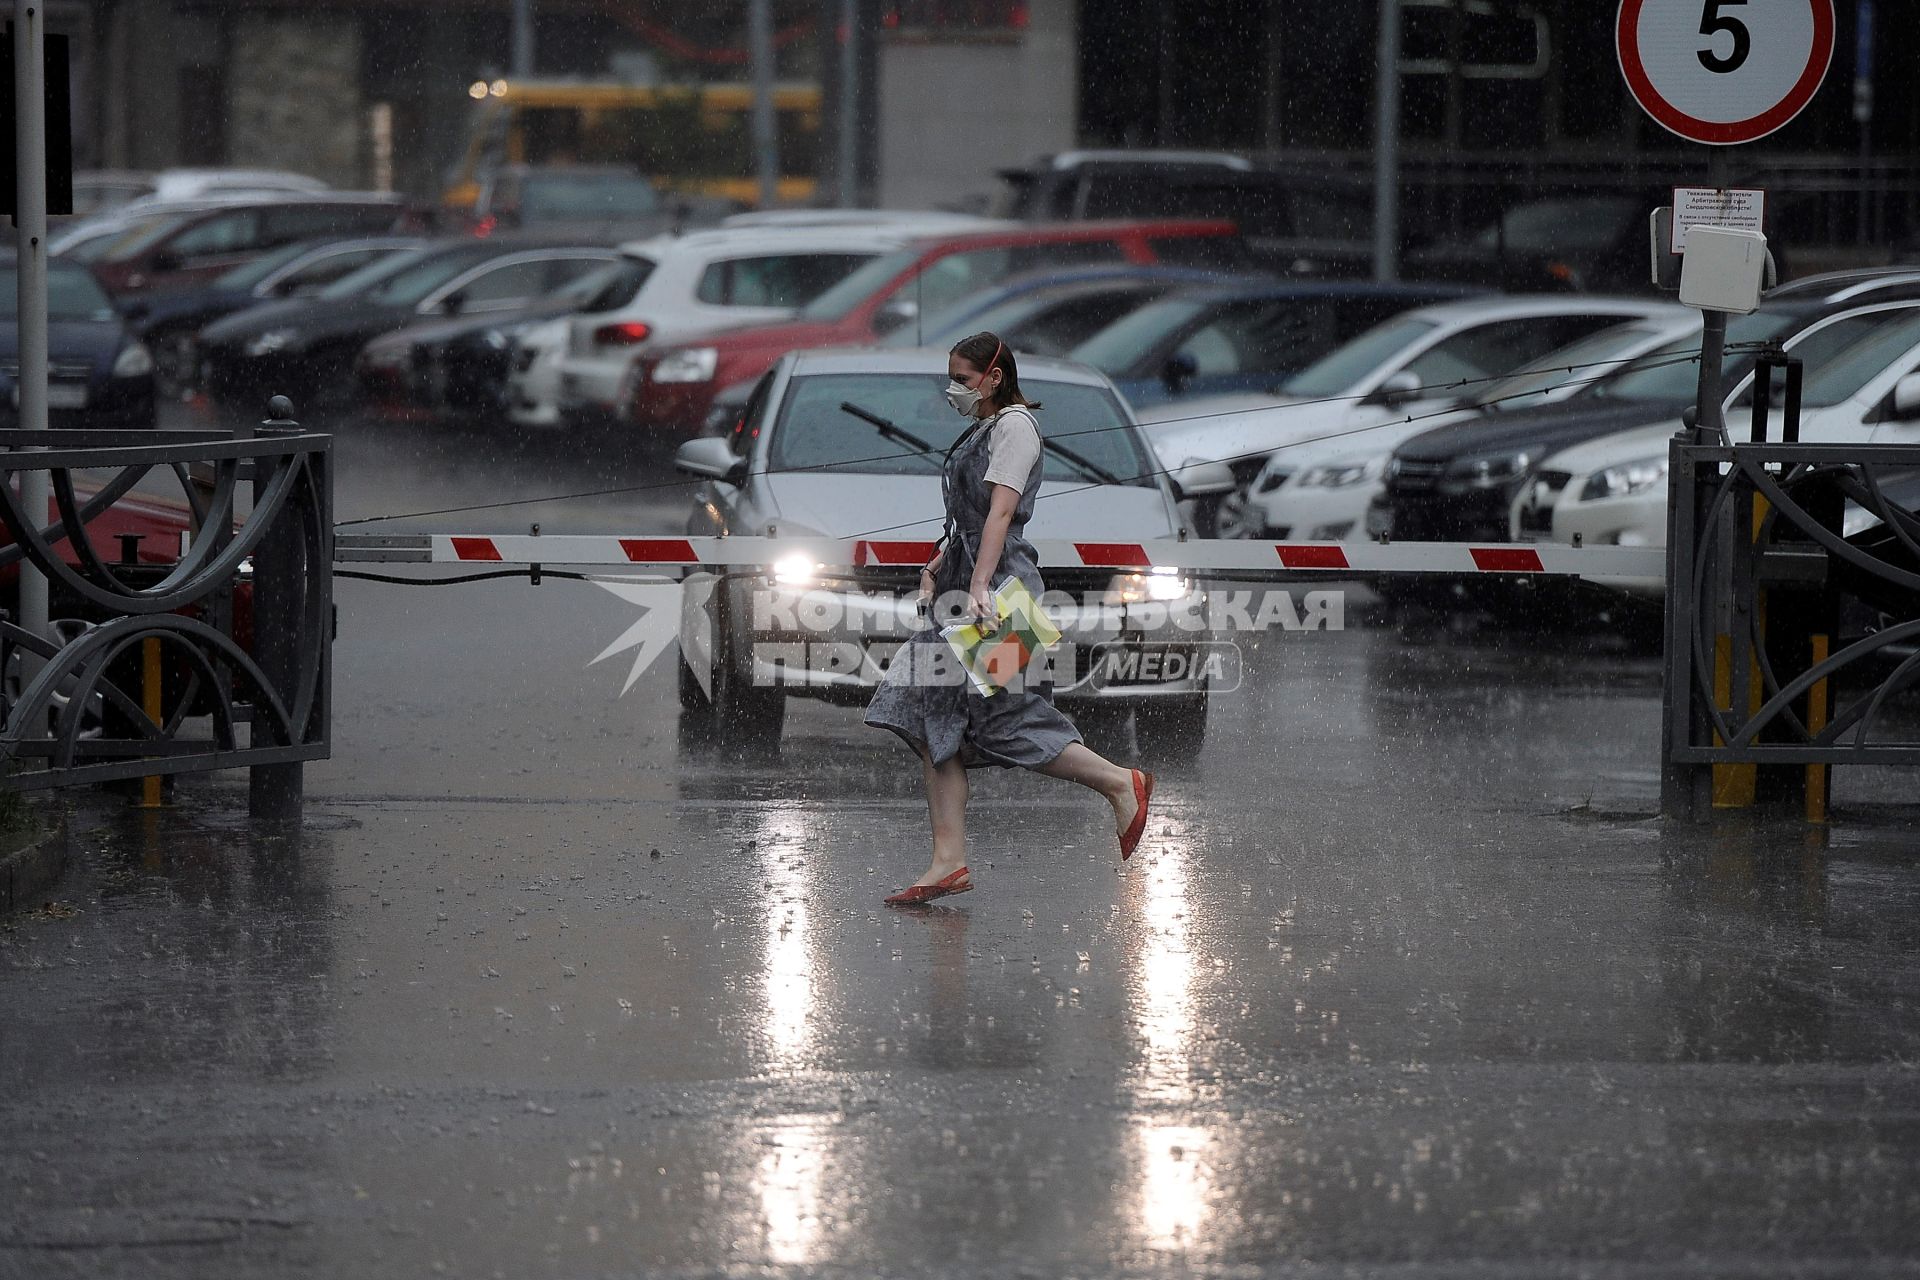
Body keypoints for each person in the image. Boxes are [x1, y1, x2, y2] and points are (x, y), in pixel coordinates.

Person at [864, 332, 1154, 905]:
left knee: (1007, 717)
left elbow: (1000, 514)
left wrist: (977, 587)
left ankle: (1122, 783)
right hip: (967, 589)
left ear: (994, 377)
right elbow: (970, 524)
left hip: (1002, 596)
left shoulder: (1017, 427)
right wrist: (940, 564)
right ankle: (948, 861)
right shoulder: (985, 428)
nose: (954, 389)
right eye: (951, 377)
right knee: (930, 717)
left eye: (963, 379)